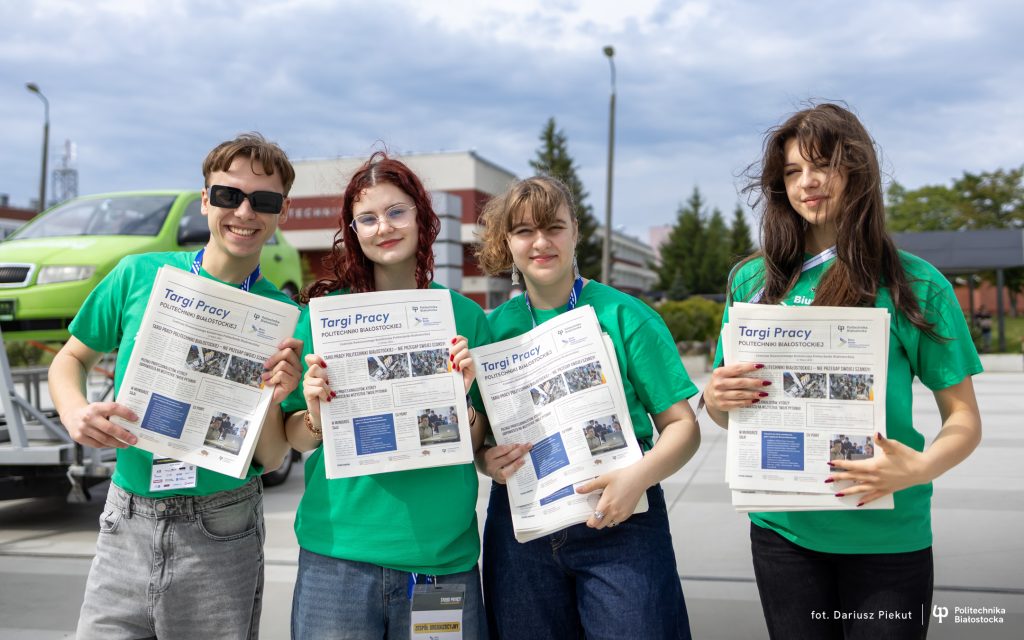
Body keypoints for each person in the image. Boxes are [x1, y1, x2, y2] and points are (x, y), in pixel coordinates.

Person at [703, 103, 983, 639]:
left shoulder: (915, 285)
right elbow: (726, 414)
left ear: (856, 171)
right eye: (791, 171)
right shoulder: (752, 282)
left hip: (887, 538)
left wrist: (918, 469)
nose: (807, 182)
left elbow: (964, 419)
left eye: (822, 165)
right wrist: (717, 397)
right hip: (783, 533)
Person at [48, 132, 304, 639]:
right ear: (206, 200)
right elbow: (70, 359)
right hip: (127, 518)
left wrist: (274, 400)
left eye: (264, 201)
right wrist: (74, 411)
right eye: (229, 196)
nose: (244, 212)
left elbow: (272, 458)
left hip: (221, 525)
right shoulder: (139, 274)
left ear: (282, 212)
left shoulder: (287, 316)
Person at [474, 175, 702, 639]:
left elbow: (683, 426)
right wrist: (486, 461)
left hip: (621, 520)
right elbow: (480, 442)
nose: (541, 242)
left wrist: (637, 477)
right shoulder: (491, 330)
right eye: (523, 231)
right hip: (523, 527)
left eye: (554, 227)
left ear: (576, 231)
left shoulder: (626, 316)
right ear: (508, 242)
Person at [281, 152, 492, 639]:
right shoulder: (322, 318)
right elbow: (294, 440)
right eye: (368, 218)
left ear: (422, 216)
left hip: (440, 559)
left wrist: (462, 402)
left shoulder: (465, 317)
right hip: (338, 557)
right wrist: (313, 413)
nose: (384, 228)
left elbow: (480, 444)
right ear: (353, 231)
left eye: (397, 211)